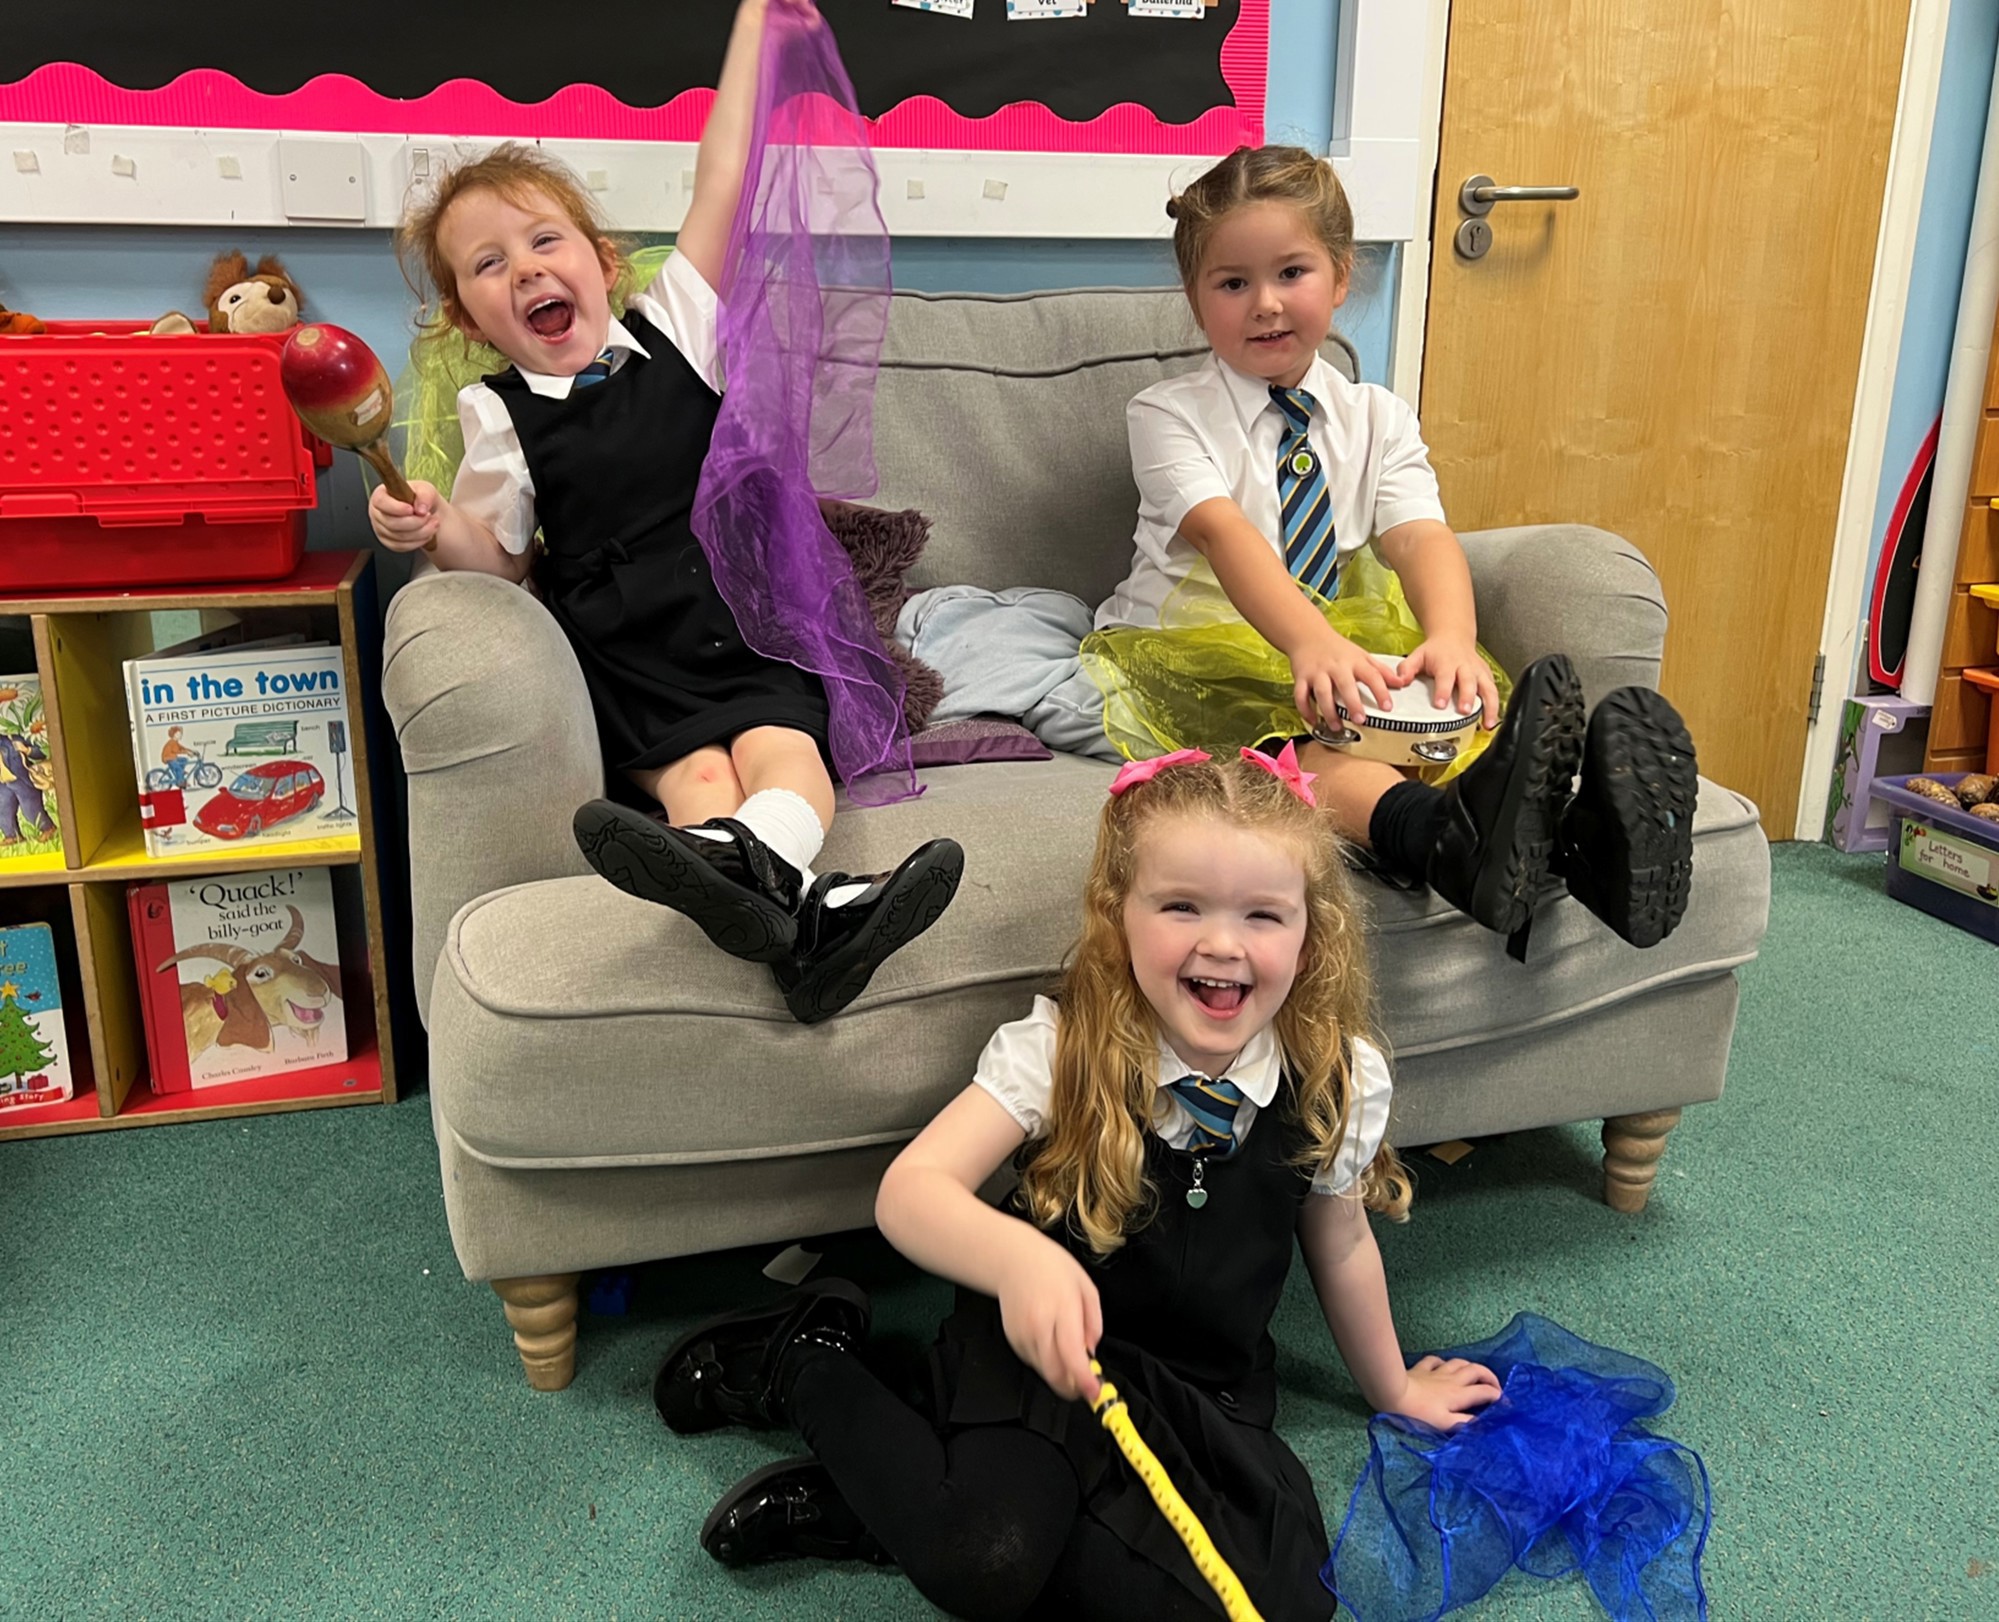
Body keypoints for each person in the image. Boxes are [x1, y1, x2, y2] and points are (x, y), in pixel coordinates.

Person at [653, 751, 1502, 1621]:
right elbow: (911, 1191)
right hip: (1042, 1362)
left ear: (1309, 936)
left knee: (1277, 1605)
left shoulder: (1334, 1073)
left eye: (1263, 915)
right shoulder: (1060, 1049)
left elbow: (1341, 1238)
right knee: (987, 1565)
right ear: (1117, 914)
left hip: (1200, 1390)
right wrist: (1020, 1262)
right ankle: (803, 1357)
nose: (1222, 943)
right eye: (1181, 906)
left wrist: (1393, 1386)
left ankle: (893, 1499)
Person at [369, 0, 961, 1024]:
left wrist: (756, 24)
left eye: (543, 240)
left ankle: (763, 889)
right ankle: (816, 924)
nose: (526, 268)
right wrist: (432, 524)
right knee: (694, 774)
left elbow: (722, 176)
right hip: (628, 643)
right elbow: (498, 560)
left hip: (740, 615)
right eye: (489, 264)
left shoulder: (679, 326)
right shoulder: (496, 412)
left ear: (603, 262)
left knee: (782, 753)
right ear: (469, 317)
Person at [1084, 144, 1696, 955]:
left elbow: (1418, 535)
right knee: (1306, 751)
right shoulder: (1166, 414)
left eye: (1291, 273)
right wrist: (1308, 642)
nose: (1264, 304)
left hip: (1336, 634)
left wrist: (1450, 636)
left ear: (1340, 277)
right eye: (1231, 284)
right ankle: (1442, 839)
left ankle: (1591, 849)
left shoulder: (1377, 416)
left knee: (1433, 723)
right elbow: (1223, 535)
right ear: (1197, 302)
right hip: (1193, 643)